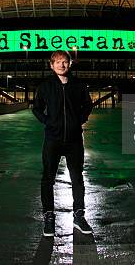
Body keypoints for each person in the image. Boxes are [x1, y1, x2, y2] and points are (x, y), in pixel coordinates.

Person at [32, 50, 94, 237]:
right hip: (53, 140)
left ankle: (79, 215)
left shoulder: (79, 85)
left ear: (70, 64)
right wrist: (48, 122)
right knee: (48, 179)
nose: (61, 65)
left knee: (77, 178)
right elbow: (36, 109)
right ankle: (49, 217)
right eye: (57, 62)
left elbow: (88, 105)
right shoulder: (45, 87)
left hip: (74, 140)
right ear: (51, 65)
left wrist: (78, 121)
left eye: (65, 61)